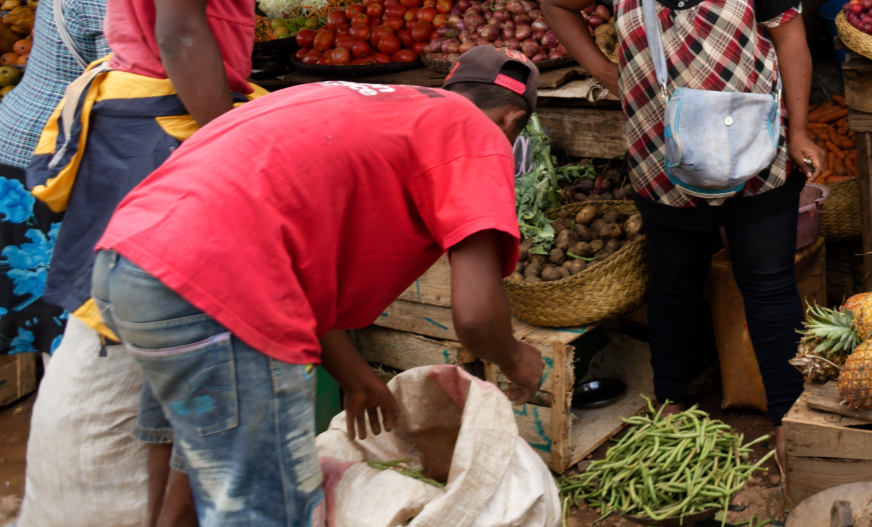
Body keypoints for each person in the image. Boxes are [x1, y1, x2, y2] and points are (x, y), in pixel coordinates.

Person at [29, 0, 307, 527]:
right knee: (142, 329)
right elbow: (182, 29)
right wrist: (227, 148)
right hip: (163, 121)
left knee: (156, 334)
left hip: (158, 112)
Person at [92, 46, 546, 527]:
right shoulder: (476, 132)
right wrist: (517, 360)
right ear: (513, 120)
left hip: (131, 266)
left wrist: (355, 378)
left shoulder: (358, 102)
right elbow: (475, 318)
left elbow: (292, 257)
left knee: (187, 485)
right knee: (267, 511)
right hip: (221, 292)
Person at [541, 0, 818, 458]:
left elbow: (793, 41)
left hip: (757, 154)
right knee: (672, 286)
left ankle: (790, 421)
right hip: (661, 154)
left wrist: (800, 128)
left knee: (769, 286)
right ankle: (671, 411)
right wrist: (610, 74)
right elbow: (557, 3)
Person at [0, 0, 144, 357]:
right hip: (45, 156)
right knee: (65, 329)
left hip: (27, 140)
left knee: (55, 327)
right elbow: (138, 80)